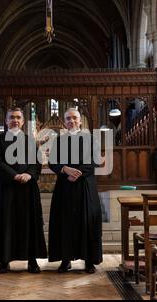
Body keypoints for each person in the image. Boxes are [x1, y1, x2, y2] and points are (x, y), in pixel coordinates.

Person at [0, 107, 47, 273]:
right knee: (6, 223)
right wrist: (14, 176)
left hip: (28, 189)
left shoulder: (30, 141)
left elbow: (37, 163)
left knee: (30, 224)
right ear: (6, 121)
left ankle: (32, 261)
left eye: (18, 117)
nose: (15, 120)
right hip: (6, 188)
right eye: (11, 117)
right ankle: (4, 260)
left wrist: (28, 174)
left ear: (22, 121)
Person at [48, 108, 103, 273]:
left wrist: (76, 173)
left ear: (80, 121)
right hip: (64, 187)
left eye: (74, 118)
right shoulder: (58, 141)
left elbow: (95, 161)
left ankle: (89, 261)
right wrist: (65, 169)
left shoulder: (91, 139)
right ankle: (65, 260)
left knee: (87, 223)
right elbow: (52, 162)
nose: (71, 121)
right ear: (65, 122)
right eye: (68, 119)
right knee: (64, 223)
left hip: (85, 186)